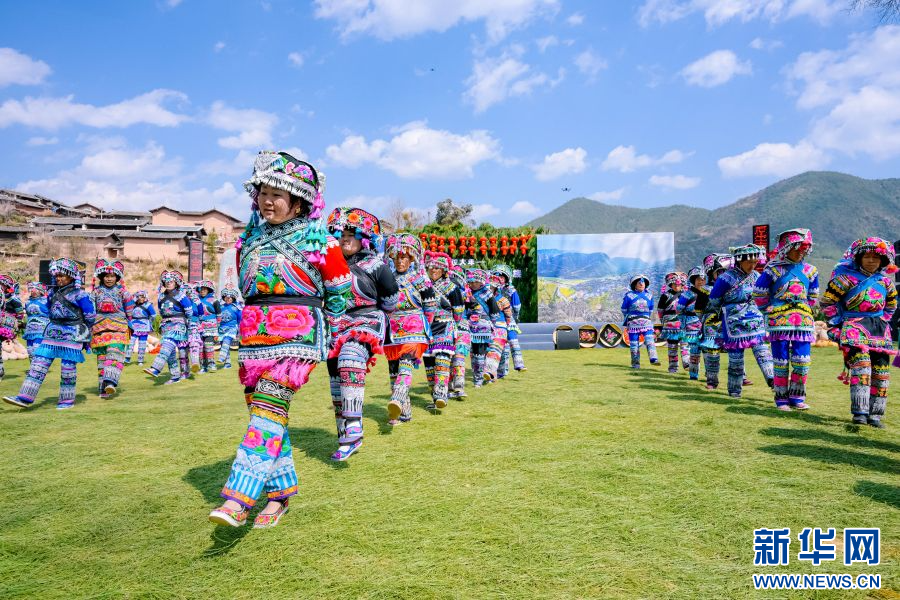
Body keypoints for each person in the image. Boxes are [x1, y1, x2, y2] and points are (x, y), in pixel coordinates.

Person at [209, 151, 350, 528]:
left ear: (298, 201)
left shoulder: (321, 240)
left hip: (299, 337)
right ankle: (280, 496)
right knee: (267, 415)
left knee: (269, 409)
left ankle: (237, 499)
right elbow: (245, 286)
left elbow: (340, 291)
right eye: (263, 193)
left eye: (277, 194)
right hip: (254, 337)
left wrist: (329, 331)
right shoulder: (249, 242)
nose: (267, 201)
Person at [325, 206, 398, 460]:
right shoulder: (329, 264)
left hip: (367, 319)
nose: (344, 238)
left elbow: (390, 300)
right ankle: (345, 434)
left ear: (363, 238)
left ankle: (354, 425)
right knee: (336, 378)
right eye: (340, 233)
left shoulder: (375, 265)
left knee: (350, 355)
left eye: (350, 233)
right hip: (337, 324)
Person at [820, 238, 898, 428]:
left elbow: (891, 306)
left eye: (876, 257)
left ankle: (876, 415)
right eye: (867, 256)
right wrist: (838, 323)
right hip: (854, 327)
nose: (871, 260)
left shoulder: (886, 283)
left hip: (879, 330)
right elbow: (827, 303)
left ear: (883, 261)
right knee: (862, 369)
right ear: (859, 258)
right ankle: (860, 413)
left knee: (881, 373)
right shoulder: (844, 280)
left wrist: (881, 321)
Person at [3, 258, 95, 409]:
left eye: (62, 275)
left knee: (68, 368)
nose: (58, 278)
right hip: (52, 332)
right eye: (57, 275)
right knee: (38, 364)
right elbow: (49, 310)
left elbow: (90, 315)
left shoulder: (80, 295)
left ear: (71, 276)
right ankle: (24, 397)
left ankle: (66, 401)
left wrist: (84, 333)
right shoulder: (52, 293)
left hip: (72, 334)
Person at [753, 229, 818, 411]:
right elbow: (759, 293)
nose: (800, 251)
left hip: (803, 321)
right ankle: (781, 398)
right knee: (780, 360)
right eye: (796, 248)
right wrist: (768, 310)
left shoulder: (811, 270)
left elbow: (813, 295)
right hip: (778, 320)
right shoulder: (773, 270)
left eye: (803, 248)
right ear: (785, 249)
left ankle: (797, 397)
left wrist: (803, 308)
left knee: (802, 359)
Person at [708, 244, 774, 398]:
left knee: (763, 351)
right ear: (739, 261)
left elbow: (763, 295)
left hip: (755, 321)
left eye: (755, 262)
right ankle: (734, 390)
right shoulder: (726, 278)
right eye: (749, 262)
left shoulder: (757, 277)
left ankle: (773, 380)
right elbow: (714, 299)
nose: (752, 265)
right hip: (734, 322)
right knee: (736, 358)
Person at [383, 233, 434, 424]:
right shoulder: (388, 278)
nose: (399, 261)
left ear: (411, 258)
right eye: (396, 257)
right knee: (393, 368)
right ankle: (403, 412)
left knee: (405, 364)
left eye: (403, 257)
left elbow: (430, 305)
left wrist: (423, 325)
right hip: (393, 329)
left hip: (414, 327)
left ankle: (397, 397)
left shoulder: (419, 279)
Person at [90, 260, 134, 398]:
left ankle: (110, 382)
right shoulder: (95, 293)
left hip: (119, 328)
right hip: (99, 329)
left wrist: (129, 326)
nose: (109, 279)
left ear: (117, 277)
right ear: (102, 277)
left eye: (112, 276)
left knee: (114, 353)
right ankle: (103, 389)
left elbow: (130, 311)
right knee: (102, 359)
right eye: (106, 276)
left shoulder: (124, 293)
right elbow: (91, 311)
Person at [144, 270, 196, 384]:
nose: (168, 283)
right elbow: (161, 311)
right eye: (166, 281)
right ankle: (175, 376)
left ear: (176, 282)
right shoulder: (161, 296)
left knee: (169, 346)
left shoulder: (182, 296)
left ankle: (156, 368)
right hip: (166, 325)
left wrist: (191, 328)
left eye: (171, 281)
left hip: (179, 325)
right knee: (170, 353)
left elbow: (189, 313)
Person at [424, 251, 460, 408]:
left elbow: (458, 310)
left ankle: (442, 395)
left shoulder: (452, 288)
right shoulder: (423, 286)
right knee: (430, 365)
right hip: (428, 329)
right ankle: (435, 397)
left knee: (442, 362)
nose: (433, 270)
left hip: (445, 327)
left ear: (444, 270)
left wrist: (454, 326)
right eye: (430, 267)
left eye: (436, 268)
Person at [698, 254, 731, 389]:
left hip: (729, 321)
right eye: (721, 272)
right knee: (712, 352)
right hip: (711, 324)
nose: (724, 275)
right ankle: (712, 381)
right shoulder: (705, 290)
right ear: (712, 273)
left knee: (735, 351)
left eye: (726, 272)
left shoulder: (732, 288)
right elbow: (698, 309)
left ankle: (742, 376)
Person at [466, 268, 504, 385]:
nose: (473, 284)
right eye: (471, 282)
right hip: (469, 327)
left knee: (480, 353)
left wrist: (491, 325)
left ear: (481, 281)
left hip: (483, 328)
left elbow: (494, 312)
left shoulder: (486, 293)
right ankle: (477, 377)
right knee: (473, 354)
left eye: (475, 282)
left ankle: (479, 379)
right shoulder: (467, 293)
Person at [493, 264, 526, 373]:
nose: (500, 279)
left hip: (509, 319)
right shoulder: (490, 290)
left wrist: (514, 319)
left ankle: (519, 364)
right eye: (497, 276)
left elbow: (517, 306)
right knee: (500, 345)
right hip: (495, 320)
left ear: (507, 279)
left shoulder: (511, 290)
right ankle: (501, 371)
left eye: (502, 277)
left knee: (512, 339)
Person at [621, 274, 659, 368]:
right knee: (634, 344)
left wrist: (645, 317)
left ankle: (654, 358)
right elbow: (624, 309)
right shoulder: (629, 296)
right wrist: (630, 317)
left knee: (650, 339)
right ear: (634, 285)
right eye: (639, 282)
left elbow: (651, 309)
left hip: (646, 321)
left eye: (643, 283)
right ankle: (635, 364)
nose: (641, 284)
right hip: (633, 322)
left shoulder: (649, 296)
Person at [677, 267, 706, 381]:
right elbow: (679, 310)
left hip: (706, 323)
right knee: (694, 349)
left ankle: (710, 374)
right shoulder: (686, 294)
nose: (701, 281)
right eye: (698, 279)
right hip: (691, 323)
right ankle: (694, 375)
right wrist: (684, 322)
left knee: (708, 349)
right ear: (693, 280)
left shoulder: (709, 292)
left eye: (703, 279)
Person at [658, 272, 688, 373]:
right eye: (675, 284)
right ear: (671, 284)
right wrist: (664, 322)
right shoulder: (665, 296)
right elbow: (660, 310)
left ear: (682, 285)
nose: (677, 286)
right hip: (670, 326)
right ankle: (673, 368)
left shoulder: (686, 295)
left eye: (679, 284)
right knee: (672, 346)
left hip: (683, 324)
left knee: (685, 344)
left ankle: (687, 363)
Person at [448, 265, 471, 399]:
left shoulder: (464, 292)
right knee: (455, 358)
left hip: (457, 326)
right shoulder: (466, 292)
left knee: (456, 357)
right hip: (451, 326)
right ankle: (454, 386)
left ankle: (456, 386)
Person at [0, 274, 25, 381]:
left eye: (1, 284)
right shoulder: (3, 295)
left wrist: (17, 325)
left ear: (5, 286)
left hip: (6, 325)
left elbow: (20, 313)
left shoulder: (13, 298)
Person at [196, 280, 221, 373]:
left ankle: (211, 364)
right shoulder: (196, 300)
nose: (202, 291)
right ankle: (203, 366)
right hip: (199, 326)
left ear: (208, 290)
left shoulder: (214, 301)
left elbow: (219, 315)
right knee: (200, 347)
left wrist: (218, 328)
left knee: (208, 345)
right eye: (201, 289)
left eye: (204, 289)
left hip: (211, 327)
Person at [125, 290, 156, 366]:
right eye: (138, 296)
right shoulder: (133, 305)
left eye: (142, 296)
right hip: (133, 326)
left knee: (142, 344)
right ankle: (127, 358)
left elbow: (153, 315)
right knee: (131, 342)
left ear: (145, 297)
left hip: (144, 326)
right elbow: (128, 313)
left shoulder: (148, 305)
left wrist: (149, 322)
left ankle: (140, 360)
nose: (140, 298)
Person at [23, 282, 49, 360]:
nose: (33, 292)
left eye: (36, 290)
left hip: (42, 330)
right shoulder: (27, 302)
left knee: (37, 350)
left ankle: (38, 369)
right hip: (30, 331)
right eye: (32, 290)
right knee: (30, 351)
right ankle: (32, 370)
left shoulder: (46, 301)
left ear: (40, 291)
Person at [217, 288, 242, 369]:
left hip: (232, 328)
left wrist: (239, 330)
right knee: (223, 345)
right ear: (224, 298)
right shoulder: (220, 307)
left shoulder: (237, 308)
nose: (228, 299)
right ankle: (227, 364)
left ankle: (221, 357)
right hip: (221, 328)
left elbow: (240, 319)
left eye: (230, 298)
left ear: (233, 298)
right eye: (226, 298)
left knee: (226, 341)